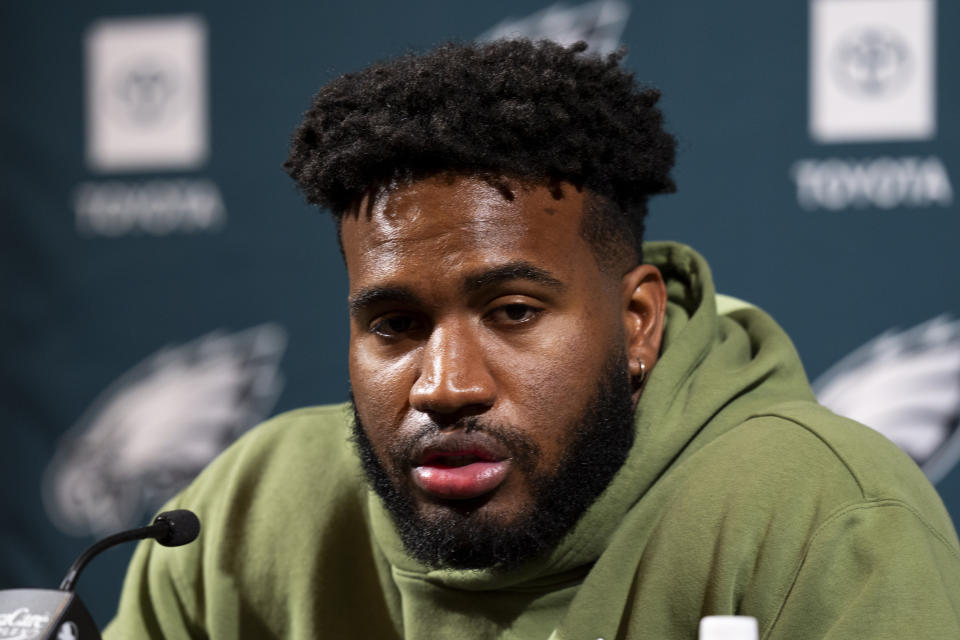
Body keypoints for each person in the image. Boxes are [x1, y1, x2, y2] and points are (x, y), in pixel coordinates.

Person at [104, 39, 960, 639]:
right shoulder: (242, 516)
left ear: (637, 324)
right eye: (394, 325)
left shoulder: (825, 516)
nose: (444, 386)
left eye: (513, 312)